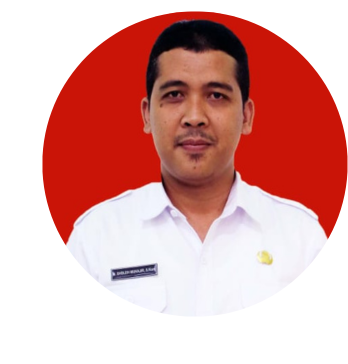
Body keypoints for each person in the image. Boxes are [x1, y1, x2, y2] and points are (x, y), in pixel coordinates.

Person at [67, 19, 327, 316]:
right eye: (174, 94)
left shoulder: (301, 239)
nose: (194, 117)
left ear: (246, 117)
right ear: (147, 115)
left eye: (216, 95)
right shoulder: (96, 238)